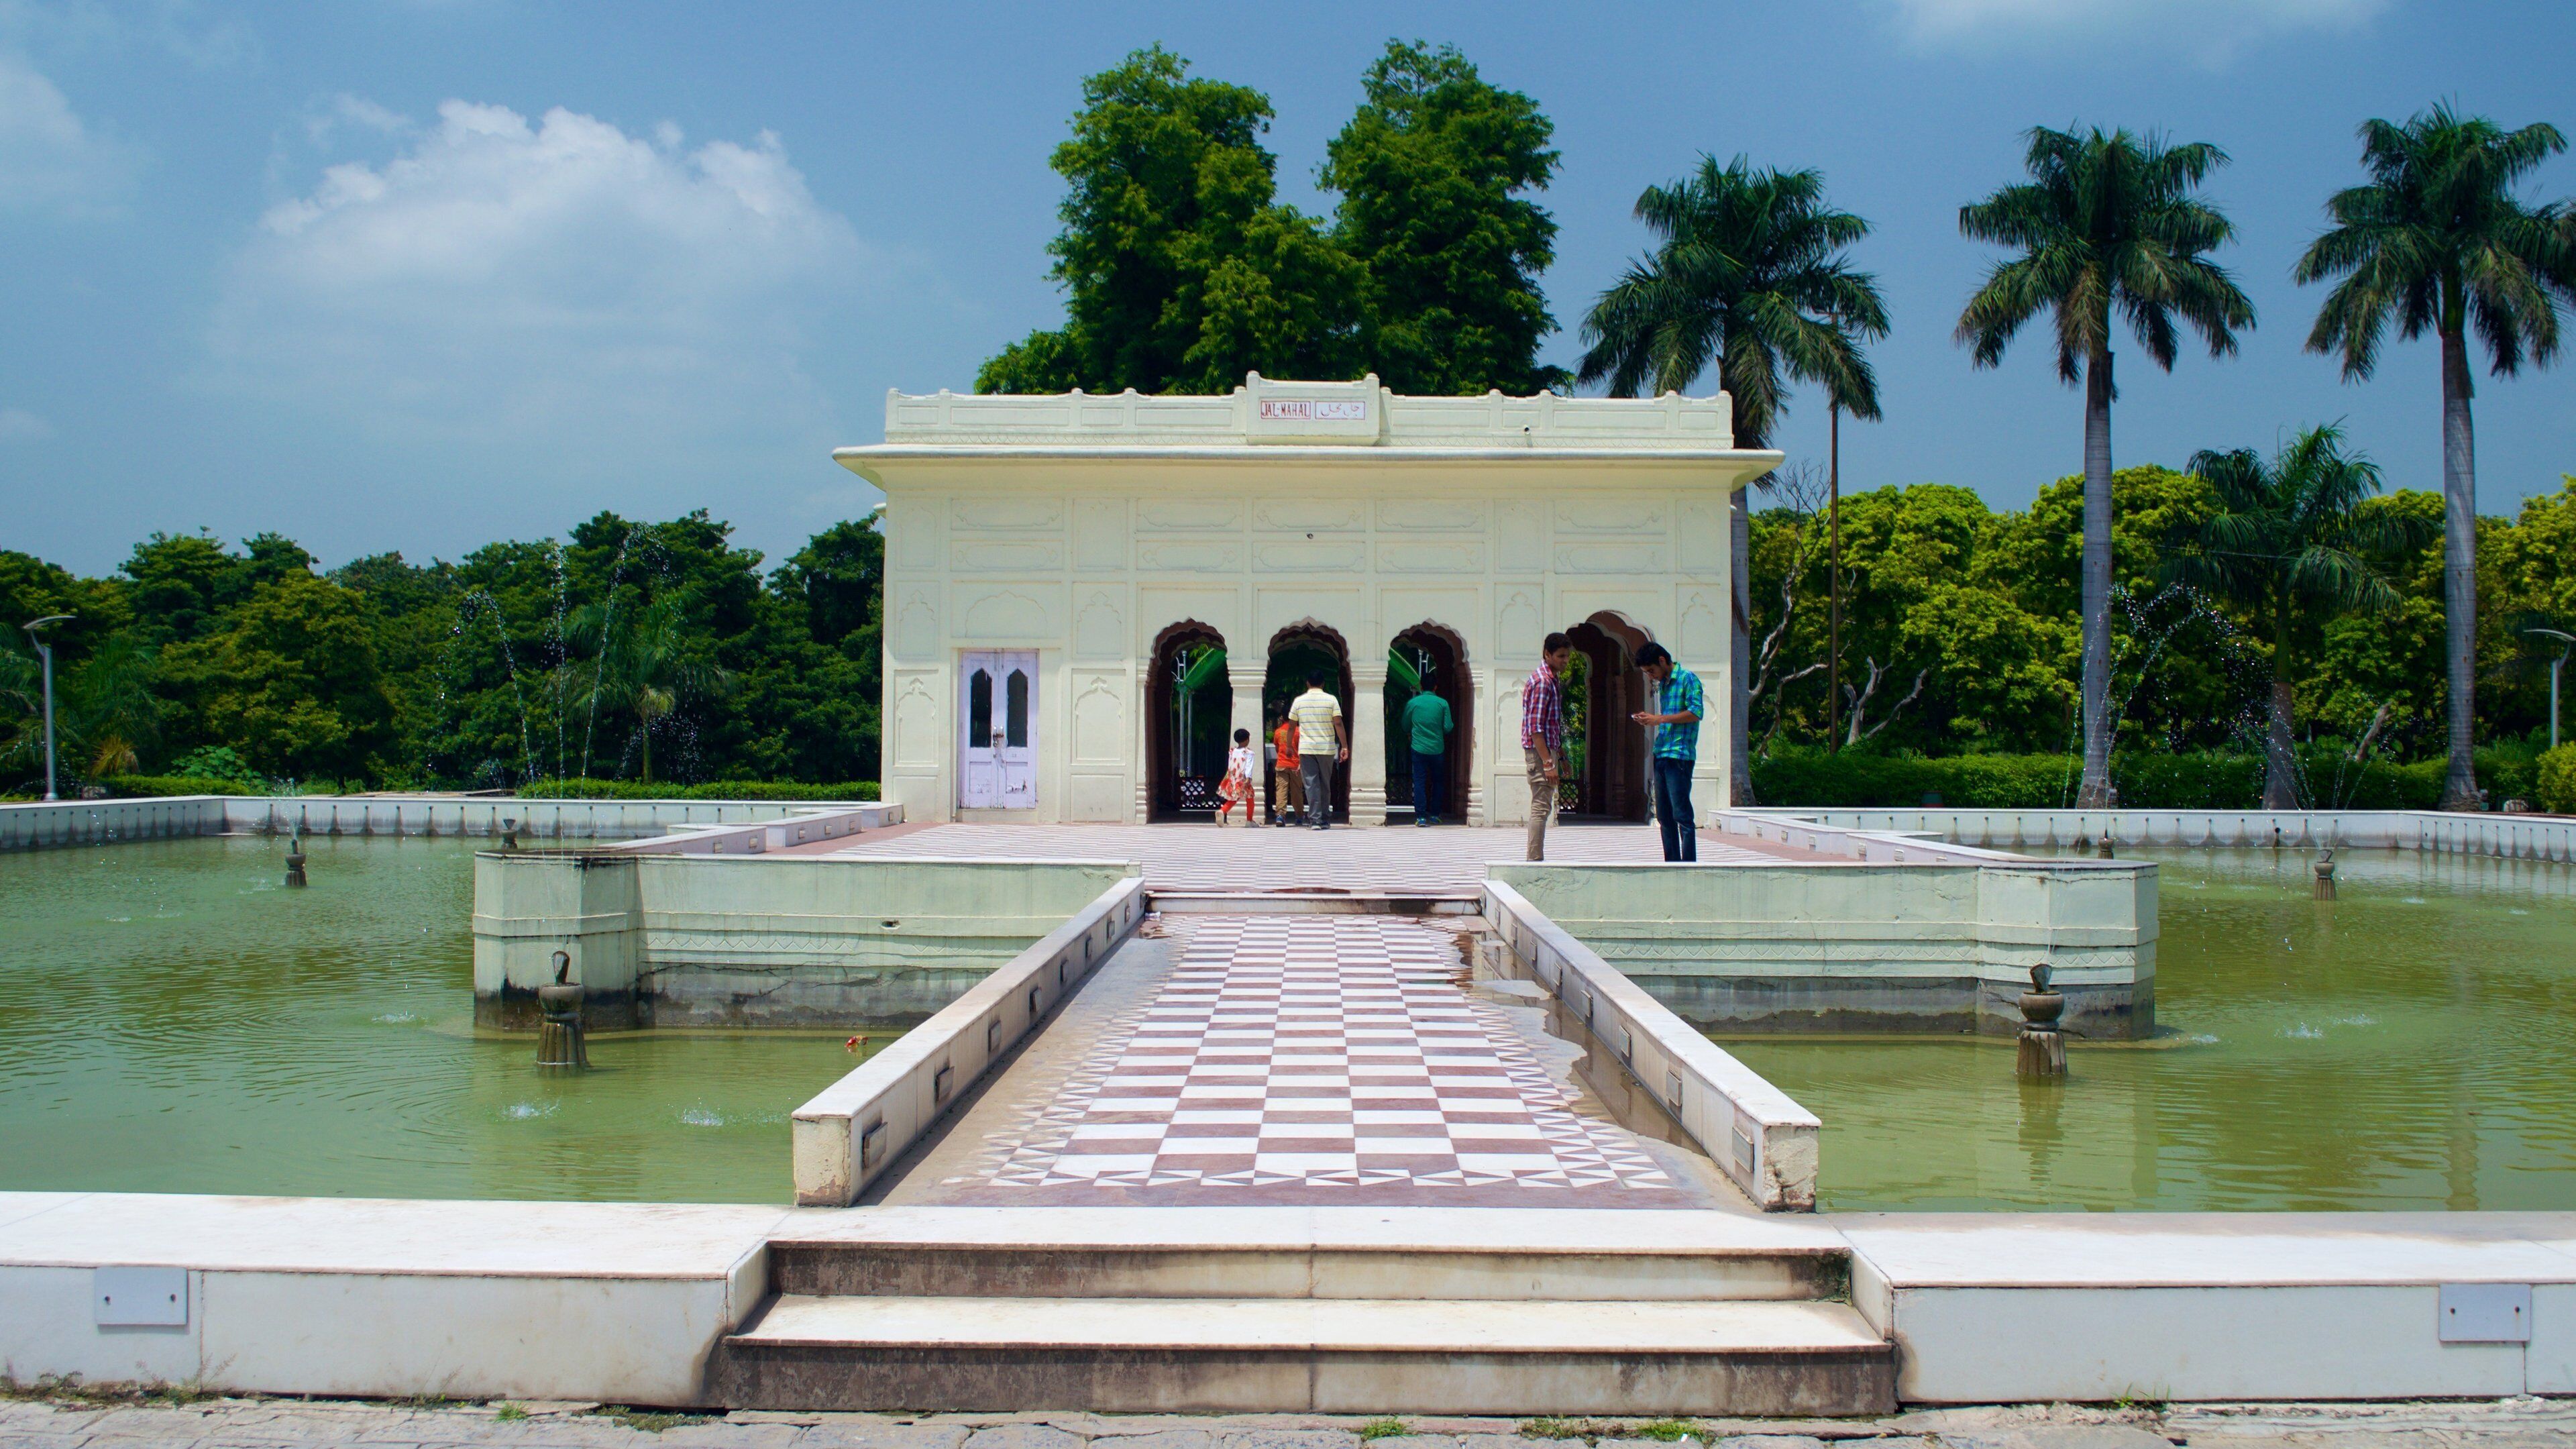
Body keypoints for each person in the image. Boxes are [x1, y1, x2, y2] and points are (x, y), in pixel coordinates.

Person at [1630, 641, 1703, 862]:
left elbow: (1696, 712)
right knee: (1664, 816)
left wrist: (1658, 719)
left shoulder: (1688, 679)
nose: (1651, 676)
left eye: (1652, 671)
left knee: (1682, 815)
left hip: (1679, 755)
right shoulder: (1664, 684)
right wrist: (1650, 720)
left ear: (1662, 661)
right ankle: (1672, 863)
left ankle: (1688, 865)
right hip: (1662, 753)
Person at [1521, 633, 1572, 860]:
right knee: (1541, 808)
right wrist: (1548, 762)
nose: (1565, 661)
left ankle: (1535, 857)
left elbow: (1552, 725)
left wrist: (1560, 756)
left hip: (1546, 751)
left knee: (1543, 806)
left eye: (1567, 656)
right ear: (1547, 654)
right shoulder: (1543, 682)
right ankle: (1534, 859)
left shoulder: (1551, 679)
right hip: (1539, 753)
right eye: (1561, 656)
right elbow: (1536, 728)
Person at [1288, 672, 1348, 830]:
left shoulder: (1299, 701)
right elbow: (1338, 724)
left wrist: (1289, 746)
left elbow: (1292, 726)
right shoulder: (1331, 700)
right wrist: (1345, 746)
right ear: (1323, 684)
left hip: (1307, 748)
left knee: (1311, 784)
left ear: (1308, 684)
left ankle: (1315, 820)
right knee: (1325, 784)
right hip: (1326, 748)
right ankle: (1325, 819)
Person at [1399, 686, 1454, 826]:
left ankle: (1421, 817)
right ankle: (1435, 815)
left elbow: (1405, 725)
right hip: (1437, 748)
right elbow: (1448, 727)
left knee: (1419, 781)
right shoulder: (1442, 703)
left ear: (1421, 687)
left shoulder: (1413, 703)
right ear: (1436, 687)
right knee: (1438, 782)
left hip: (1418, 748)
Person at [1216, 727, 1256, 826]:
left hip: (1233, 778)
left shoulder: (1232, 751)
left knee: (1234, 798)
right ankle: (1249, 821)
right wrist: (1248, 778)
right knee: (1250, 799)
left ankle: (1222, 811)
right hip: (1243, 779)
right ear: (1247, 739)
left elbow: (1231, 765)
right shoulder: (1248, 753)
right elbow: (1248, 766)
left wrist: (1229, 778)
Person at [1270, 712, 1303, 826]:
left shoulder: (1278, 732)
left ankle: (1280, 815)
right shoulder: (1299, 732)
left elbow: (1278, 749)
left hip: (1282, 764)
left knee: (1281, 790)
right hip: (1296, 765)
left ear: (1282, 718)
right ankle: (1299, 816)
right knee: (1297, 791)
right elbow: (1302, 749)